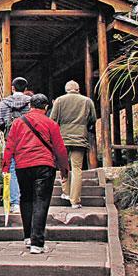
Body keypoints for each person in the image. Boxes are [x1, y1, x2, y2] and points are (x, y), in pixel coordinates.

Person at [2, 94, 69, 254]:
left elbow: (9, 146)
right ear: (46, 107)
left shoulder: (18, 122)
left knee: (25, 199)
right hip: (44, 165)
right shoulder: (51, 123)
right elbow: (60, 148)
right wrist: (64, 169)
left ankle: (27, 237)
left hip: (22, 166)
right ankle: (37, 243)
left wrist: (5, 167)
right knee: (41, 202)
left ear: (30, 106)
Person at [50, 80, 97, 209]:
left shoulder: (59, 101)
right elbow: (93, 119)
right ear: (78, 89)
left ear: (66, 89)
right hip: (80, 138)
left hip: (62, 138)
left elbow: (52, 120)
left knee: (63, 166)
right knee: (77, 168)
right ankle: (75, 201)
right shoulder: (87, 101)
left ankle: (66, 192)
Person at [0, 77, 32, 214]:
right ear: (25, 89)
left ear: (12, 88)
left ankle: (15, 203)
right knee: (26, 168)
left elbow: (0, 122)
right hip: (27, 140)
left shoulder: (4, 102)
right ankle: (26, 200)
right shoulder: (30, 102)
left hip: (10, 139)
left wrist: (7, 132)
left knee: (11, 169)